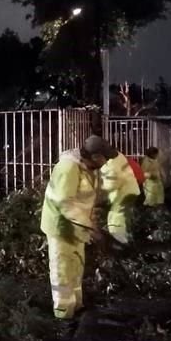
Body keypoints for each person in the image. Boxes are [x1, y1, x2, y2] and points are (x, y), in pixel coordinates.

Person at [40, 135, 112, 320]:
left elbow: (87, 199)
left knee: (76, 267)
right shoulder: (68, 167)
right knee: (63, 270)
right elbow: (64, 203)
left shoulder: (90, 169)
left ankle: (76, 305)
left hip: (78, 227)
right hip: (61, 227)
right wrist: (92, 228)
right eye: (106, 157)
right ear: (96, 157)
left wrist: (93, 225)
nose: (107, 161)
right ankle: (63, 314)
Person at [100, 149, 141, 243]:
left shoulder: (111, 165)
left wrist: (99, 188)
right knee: (124, 214)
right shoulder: (119, 158)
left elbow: (111, 185)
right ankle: (126, 236)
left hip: (123, 194)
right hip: (130, 191)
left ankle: (120, 239)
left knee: (117, 215)